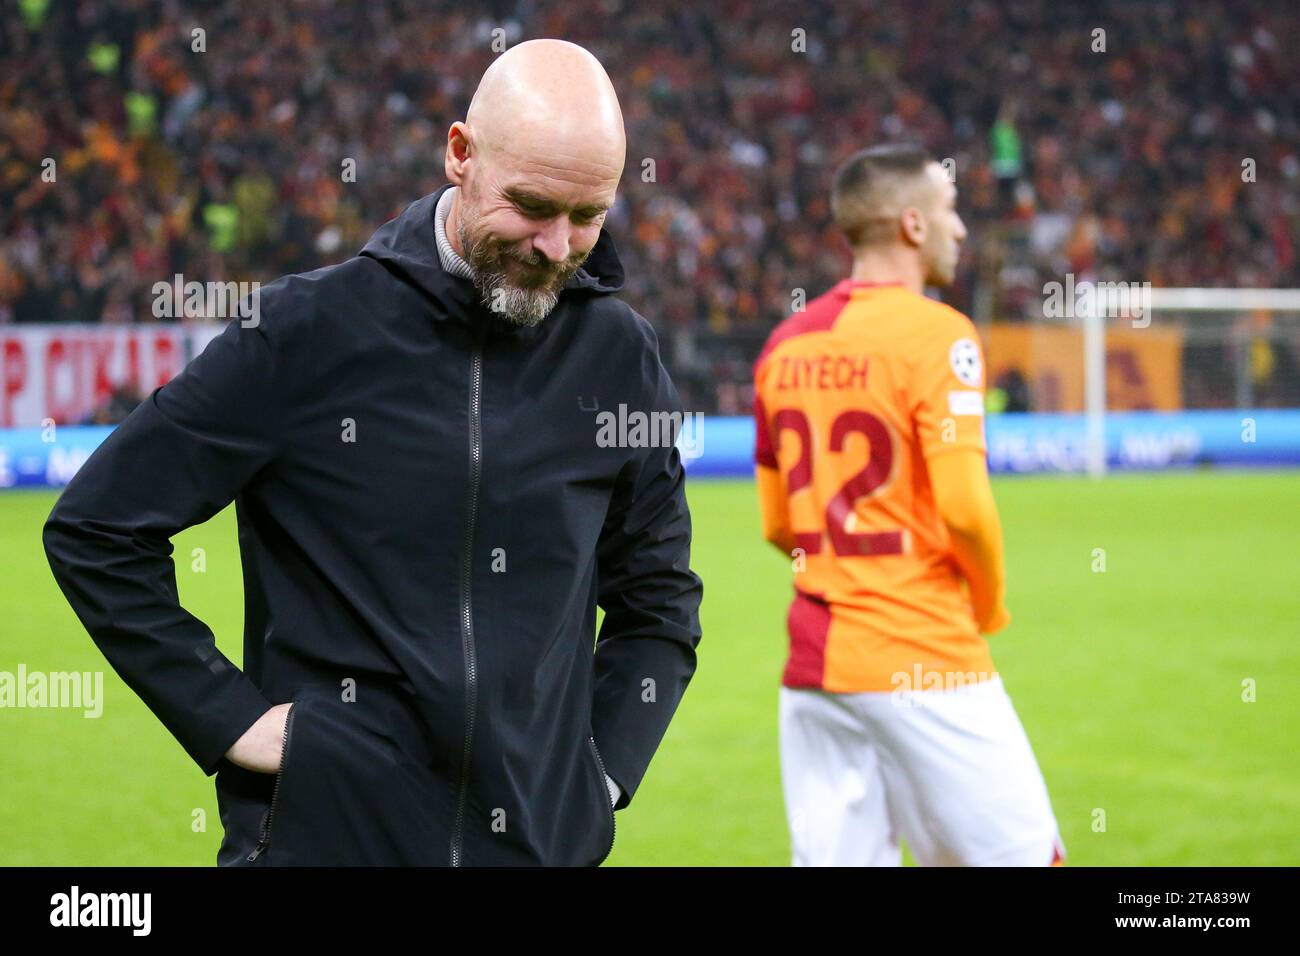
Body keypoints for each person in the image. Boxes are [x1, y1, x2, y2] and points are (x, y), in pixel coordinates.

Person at [43, 39, 703, 867]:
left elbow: (660, 601)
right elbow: (98, 527)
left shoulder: (620, 356)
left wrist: (598, 779)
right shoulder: (305, 331)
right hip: (325, 843)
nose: (557, 246)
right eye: (532, 205)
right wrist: (231, 721)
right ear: (460, 153)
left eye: (589, 216)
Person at [752, 143, 1063, 866]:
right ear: (914, 225)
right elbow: (964, 509)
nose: (961, 231)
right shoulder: (939, 335)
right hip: (923, 657)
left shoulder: (783, 346)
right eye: (951, 212)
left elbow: (777, 525)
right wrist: (988, 602)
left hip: (814, 671)